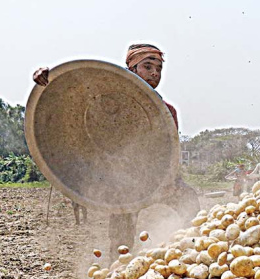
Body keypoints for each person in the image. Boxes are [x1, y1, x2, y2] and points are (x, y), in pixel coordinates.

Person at [33, 44, 199, 255]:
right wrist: (48, 78)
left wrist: (168, 180)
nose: (155, 73)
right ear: (131, 70)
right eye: (147, 66)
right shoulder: (106, 99)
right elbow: (72, 92)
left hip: (158, 178)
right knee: (121, 236)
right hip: (125, 183)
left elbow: (170, 152)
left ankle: (190, 254)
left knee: (188, 199)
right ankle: (117, 272)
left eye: (159, 69)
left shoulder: (168, 111)